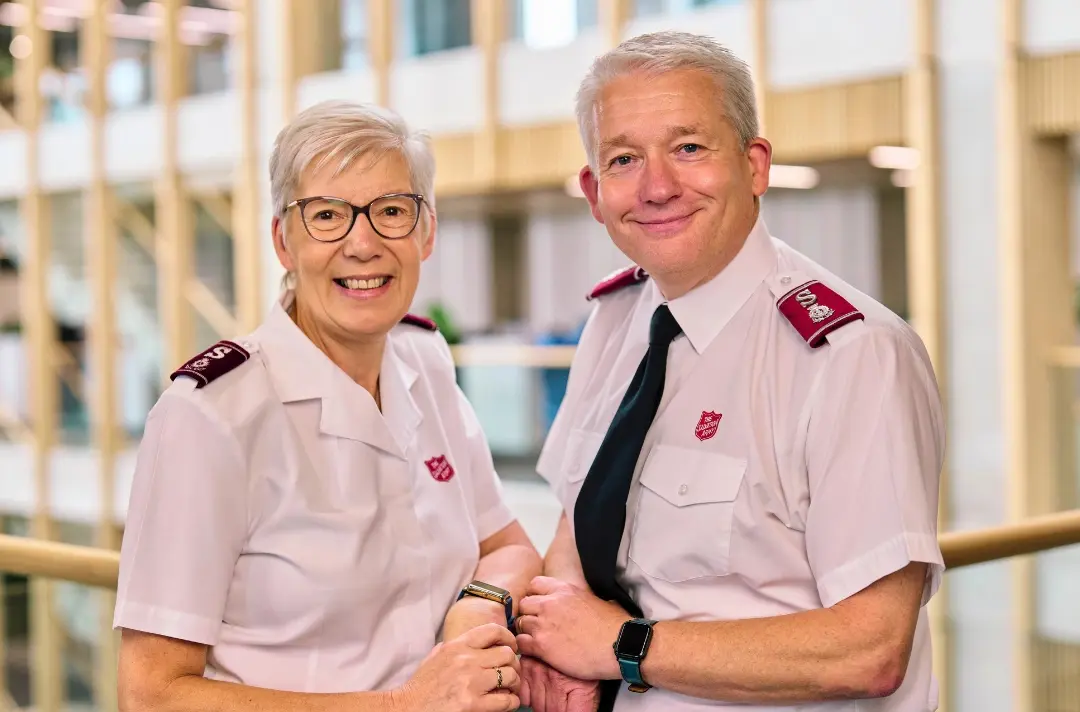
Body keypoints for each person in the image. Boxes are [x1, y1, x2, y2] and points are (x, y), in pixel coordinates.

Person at [514, 31, 946, 712]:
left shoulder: (852, 357)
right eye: (625, 158)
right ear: (595, 192)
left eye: (689, 148)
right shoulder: (616, 319)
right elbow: (576, 520)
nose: (657, 186)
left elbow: (871, 649)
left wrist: (622, 647)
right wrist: (553, 649)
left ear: (754, 165)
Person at [112, 100, 542, 712]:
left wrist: (474, 609)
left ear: (427, 232)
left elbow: (509, 545)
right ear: (283, 241)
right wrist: (407, 705)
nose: (362, 244)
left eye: (392, 210)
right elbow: (151, 694)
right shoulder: (210, 416)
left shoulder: (424, 359)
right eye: (327, 216)